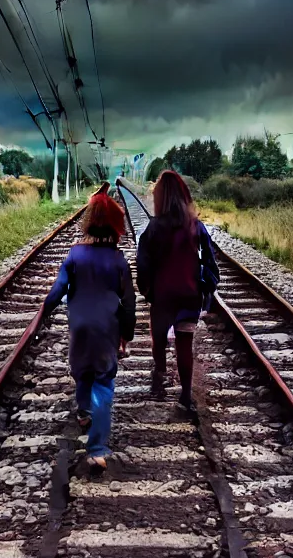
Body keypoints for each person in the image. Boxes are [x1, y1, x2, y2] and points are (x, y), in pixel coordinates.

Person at [42, 192, 136, 470]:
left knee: (82, 371)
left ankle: (83, 412)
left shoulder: (74, 254)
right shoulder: (119, 262)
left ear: (88, 223)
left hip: (79, 327)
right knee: (104, 383)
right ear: (115, 228)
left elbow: (58, 289)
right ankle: (96, 450)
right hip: (107, 328)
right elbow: (129, 302)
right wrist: (127, 334)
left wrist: (43, 314)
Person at [136, 170, 219, 410]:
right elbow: (211, 263)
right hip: (189, 295)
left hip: (162, 297)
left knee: (159, 339)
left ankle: (159, 380)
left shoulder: (153, 228)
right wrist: (205, 290)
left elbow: (142, 265)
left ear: (160, 198)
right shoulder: (196, 226)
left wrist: (148, 292)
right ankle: (185, 396)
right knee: (185, 344)